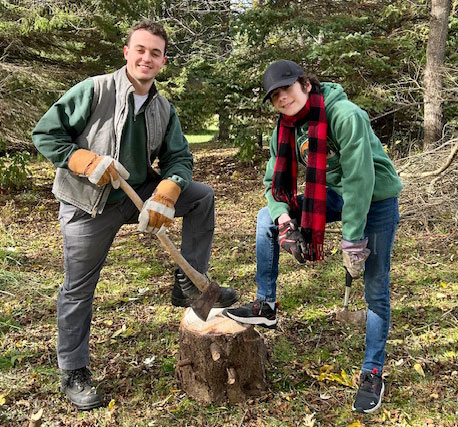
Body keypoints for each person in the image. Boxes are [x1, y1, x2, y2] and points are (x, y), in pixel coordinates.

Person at [32, 19, 238, 411]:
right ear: (127, 52)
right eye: (140, 49)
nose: (147, 58)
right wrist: (81, 158)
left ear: (163, 62)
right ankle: (73, 370)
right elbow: (45, 133)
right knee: (78, 288)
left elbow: (180, 156)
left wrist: (169, 187)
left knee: (201, 197)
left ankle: (189, 285)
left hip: (136, 194)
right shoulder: (94, 90)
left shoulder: (163, 108)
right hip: (87, 203)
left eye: (155, 53)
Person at [223, 60, 402, 414]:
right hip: (332, 194)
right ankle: (266, 304)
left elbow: (360, 181)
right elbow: (272, 185)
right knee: (265, 219)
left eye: (285, 89)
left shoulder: (344, 115)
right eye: (274, 96)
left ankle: (372, 371)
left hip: (376, 198)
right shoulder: (285, 129)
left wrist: (351, 239)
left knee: (376, 288)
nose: (281, 99)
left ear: (305, 84)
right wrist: (285, 221)